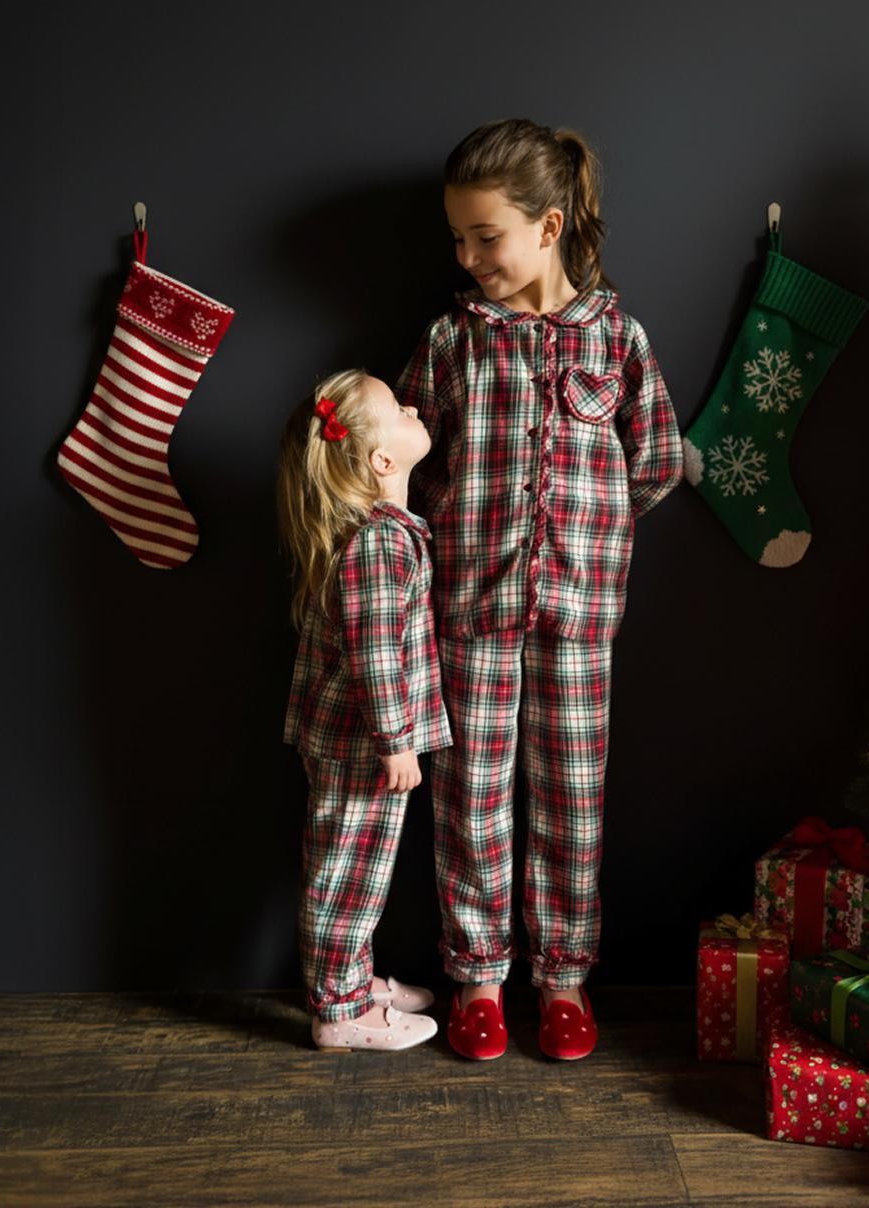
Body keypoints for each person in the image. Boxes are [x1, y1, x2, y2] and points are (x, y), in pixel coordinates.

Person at [396, 119, 683, 1061]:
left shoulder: (618, 338)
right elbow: (403, 465)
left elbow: (651, 462)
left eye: (487, 236)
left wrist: (586, 541)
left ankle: (562, 979)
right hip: (469, 609)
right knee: (469, 799)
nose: (469, 256)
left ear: (549, 227)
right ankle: (475, 975)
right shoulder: (451, 341)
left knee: (570, 797)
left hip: (578, 615)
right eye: (457, 239)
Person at [279, 369, 452, 1052]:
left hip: (359, 740)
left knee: (358, 869)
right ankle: (340, 1009)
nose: (413, 404)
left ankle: (349, 980)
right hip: (362, 743)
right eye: (397, 407)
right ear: (383, 460)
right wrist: (395, 740)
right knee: (347, 874)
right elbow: (375, 650)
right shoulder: (377, 543)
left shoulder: (382, 531)